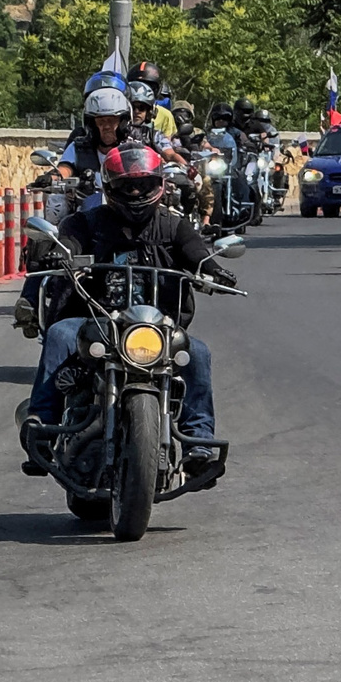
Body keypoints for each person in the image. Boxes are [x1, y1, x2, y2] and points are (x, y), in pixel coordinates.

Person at [23, 144, 233, 483]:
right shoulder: (85, 223)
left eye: (143, 184)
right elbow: (69, 243)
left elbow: (196, 251)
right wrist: (60, 256)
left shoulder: (173, 226)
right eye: (126, 185)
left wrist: (212, 268)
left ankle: (200, 443)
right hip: (95, 321)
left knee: (197, 352)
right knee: (60, 334)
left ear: (159, 185)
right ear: (109, 187)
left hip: (157, 326)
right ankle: (41, 429)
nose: (135, 192)